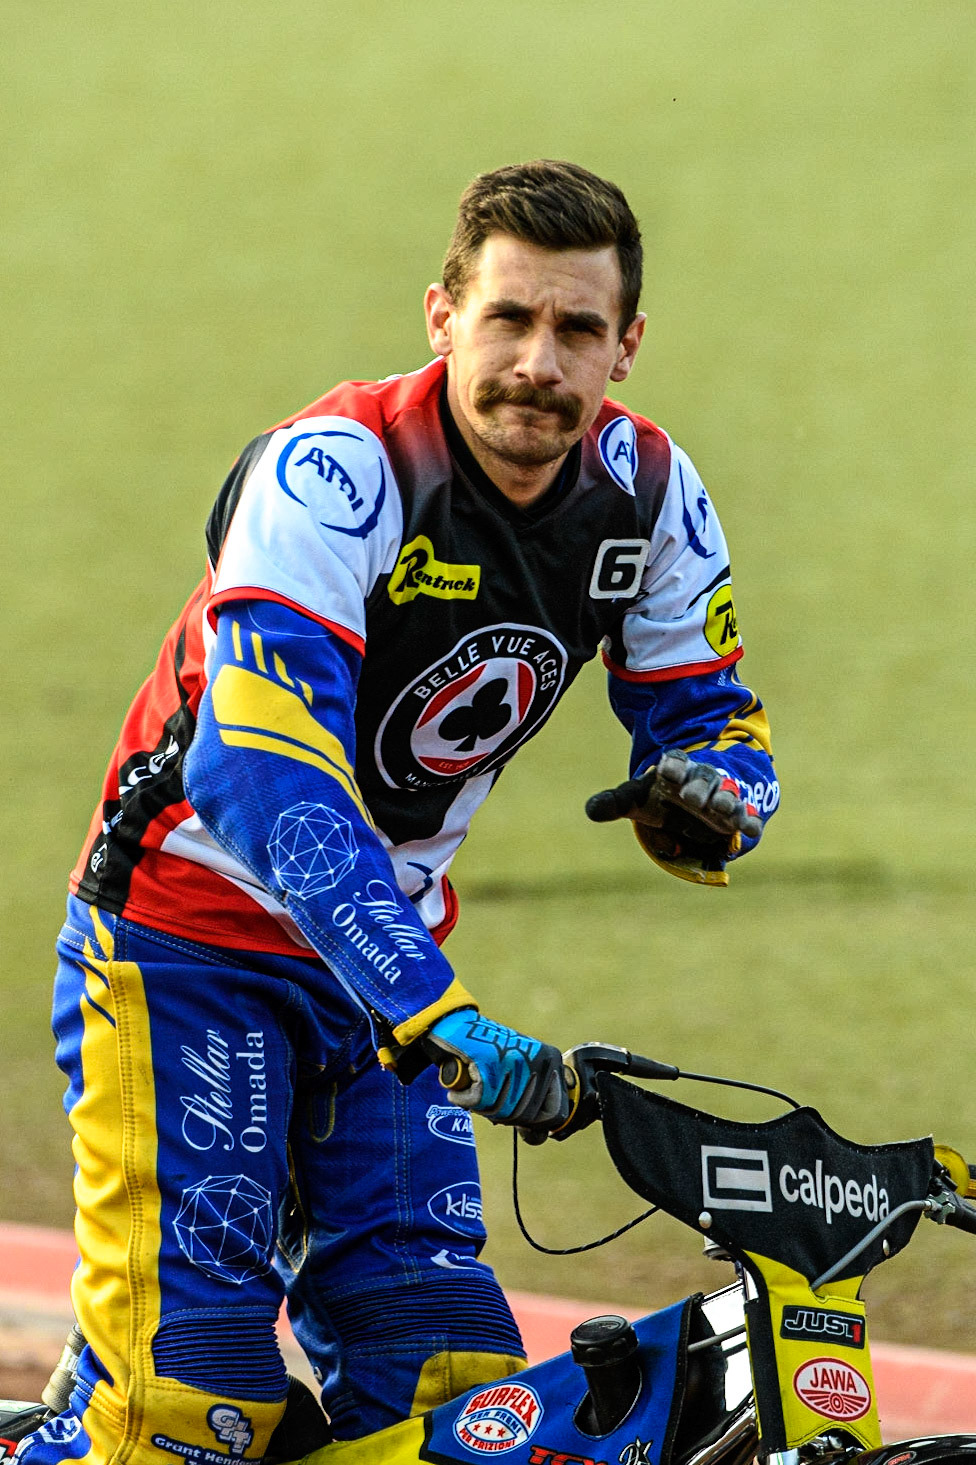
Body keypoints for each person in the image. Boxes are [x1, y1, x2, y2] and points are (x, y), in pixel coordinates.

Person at [23, 160, 778, 1465]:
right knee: (185, 1408)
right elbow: (259, 770)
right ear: (443, 317)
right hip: (187, 944)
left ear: (627, 346)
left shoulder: (653, 497)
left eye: (577, 329)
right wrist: (430, 1007)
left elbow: (712, 716)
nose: (539, 362)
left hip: (386, 971)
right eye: (509, 318)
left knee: (453, 1393)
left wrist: (715, 794)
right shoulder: (337, 471)